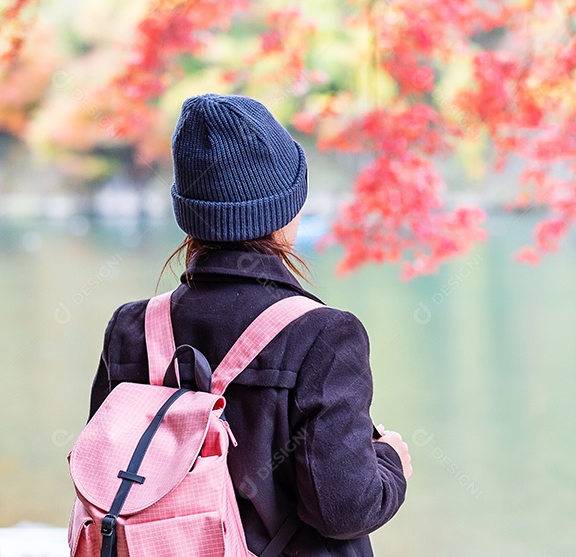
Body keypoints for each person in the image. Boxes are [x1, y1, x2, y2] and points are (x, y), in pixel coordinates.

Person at [87, 93, 411, 556]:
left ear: (189, 211)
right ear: (284, 210)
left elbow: (104, 478)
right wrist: (390, 462)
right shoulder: (323, 335)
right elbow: (343, 511)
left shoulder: (131, 328)